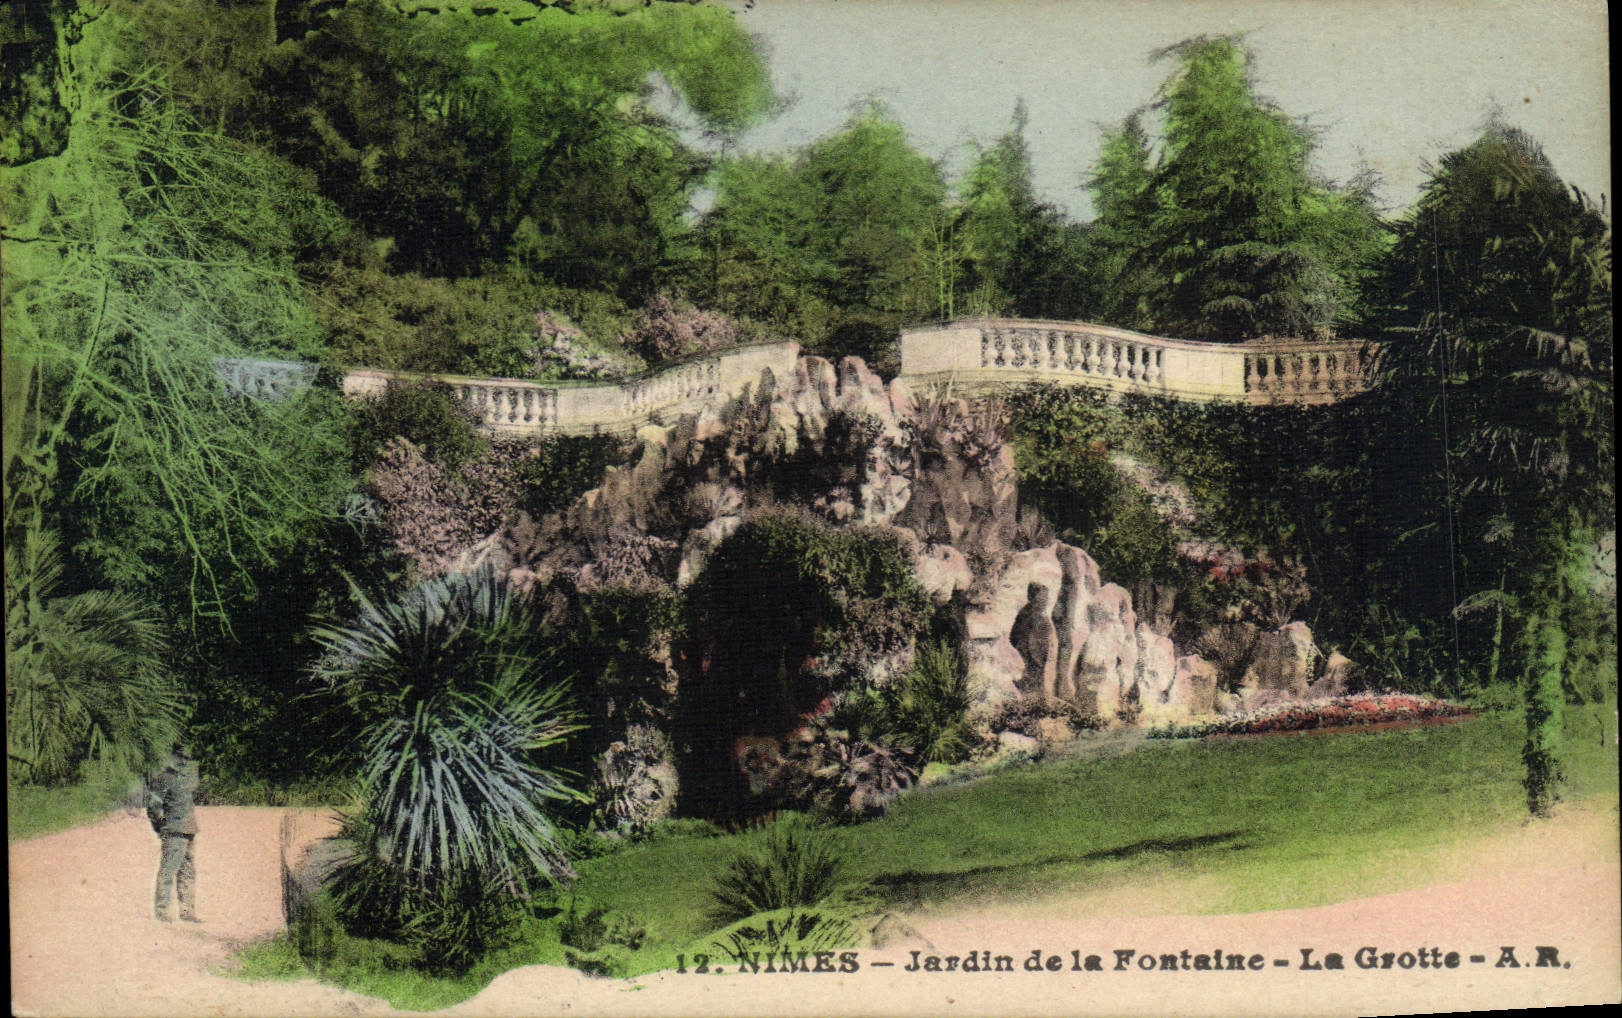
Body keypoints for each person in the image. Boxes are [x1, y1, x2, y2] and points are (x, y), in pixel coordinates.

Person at [145, 742, 200, 922]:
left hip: (189, 830)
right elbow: (153, 807)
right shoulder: (164, 778)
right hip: (174, 831)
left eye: (187, 758)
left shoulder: (188, 779)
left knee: (188, 872)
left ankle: (187, 912)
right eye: (181, 756)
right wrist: (161, 828)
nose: (184, 761)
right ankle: (162, 912)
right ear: (173, 756)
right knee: (168, 871)